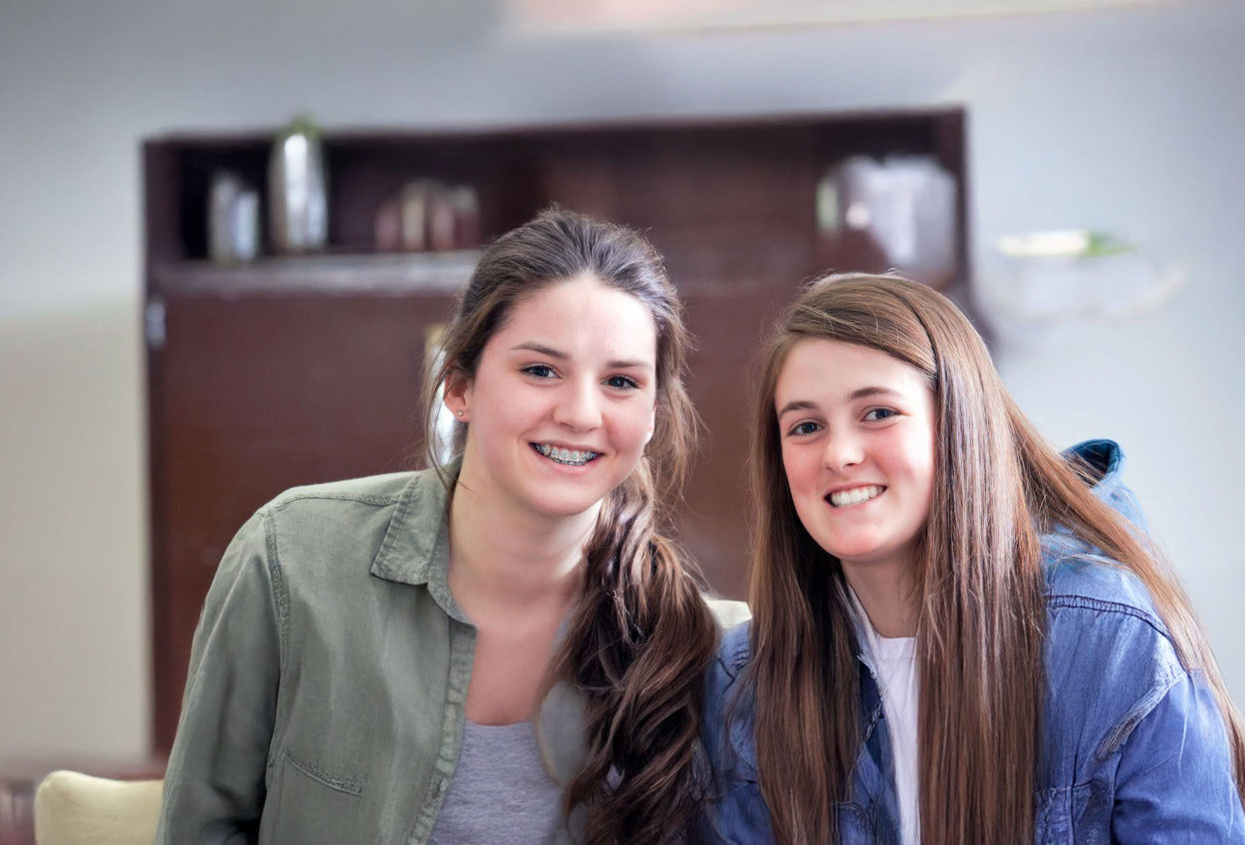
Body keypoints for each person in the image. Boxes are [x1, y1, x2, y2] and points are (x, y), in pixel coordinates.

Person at [157, 207, 747, 844]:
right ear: (460, 386)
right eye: (540, 370)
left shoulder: (709, 652)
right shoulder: (291, 560)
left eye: (621, 382)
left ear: (654, 414)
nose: (581, 413)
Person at [701, 273, 1245, 843]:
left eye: (878, 413)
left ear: (958, 425)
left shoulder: (1107, 639)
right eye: (806, 427)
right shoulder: (746, 683)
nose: (838, 454)